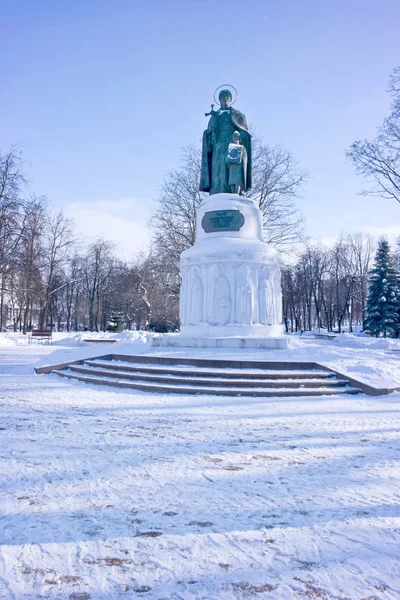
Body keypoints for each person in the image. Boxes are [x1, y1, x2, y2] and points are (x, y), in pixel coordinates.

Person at [200, 89, 252, 195]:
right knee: (217, 169)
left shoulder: (238, 115)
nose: (225, 98)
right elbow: (209, 134)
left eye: (227, 96)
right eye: (222, 96)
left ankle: (234, 191)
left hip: (231, 147)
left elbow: (245, 135)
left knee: (232, 170)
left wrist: (238, 136)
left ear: (231, 99)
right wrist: (209, 132)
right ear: (219, 100)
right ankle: (217, 190)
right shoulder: (215, 115)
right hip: (218, 147)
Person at [226, 131, 248, 195]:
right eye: (234, 136)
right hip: (232, 166)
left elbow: (244, 158)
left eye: (236, 136)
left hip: (238, 167)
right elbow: (227, 157)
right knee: (232, 181)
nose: (235, 138)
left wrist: (241, 161)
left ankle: (237, 194)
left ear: (239, 138)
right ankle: (233, 194)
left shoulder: (242, 148)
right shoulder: (230, 147)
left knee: (238, 181)